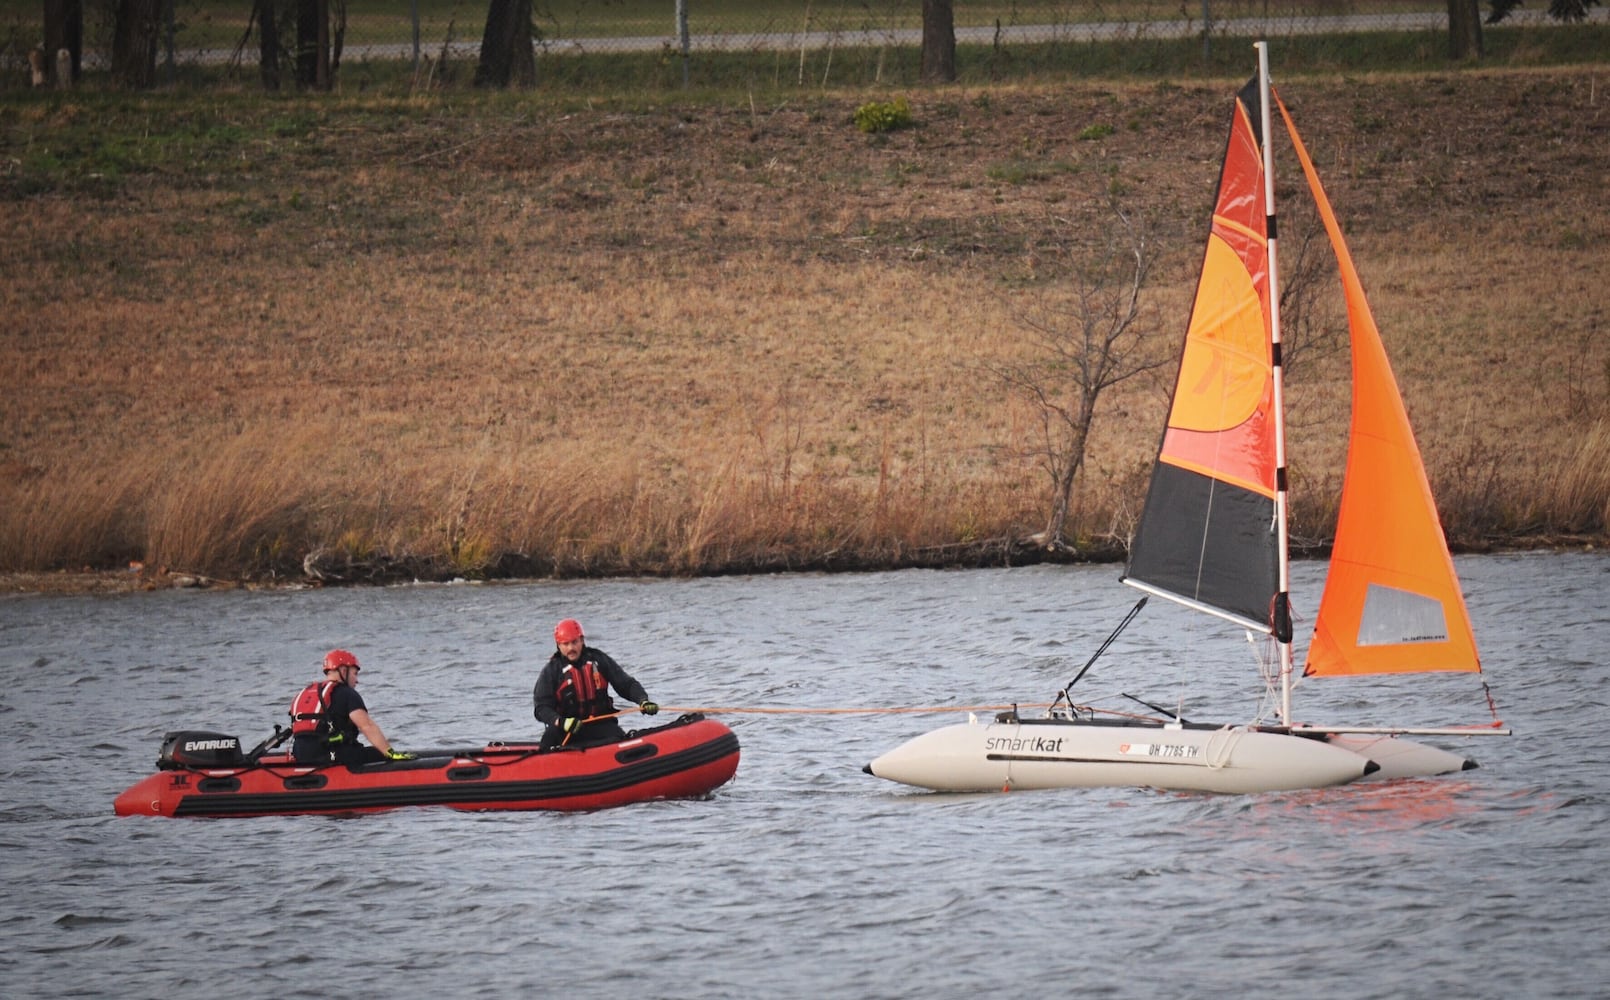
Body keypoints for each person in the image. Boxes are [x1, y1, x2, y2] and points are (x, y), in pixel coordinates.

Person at [534, 618, 659, 750]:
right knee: (548, 741)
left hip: (600, 724)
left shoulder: (598, 660)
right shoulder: (551, 671)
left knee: (620, 740)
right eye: (566, 644)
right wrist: (560, 721)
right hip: (567, 729)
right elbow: (541, 708)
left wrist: (643, 700)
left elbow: (626, 684)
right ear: (558, 645)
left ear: (582, 640)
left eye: (574, 642)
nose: (571, 648)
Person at [289, 649, 413, 766]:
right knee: (379, 754)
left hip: (302, 756)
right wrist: (390, 753)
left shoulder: (305, 693)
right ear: (343, 671)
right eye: (355, 674)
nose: (357, 680)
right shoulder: (346, 693)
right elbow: (367, 726)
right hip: (331, 754)